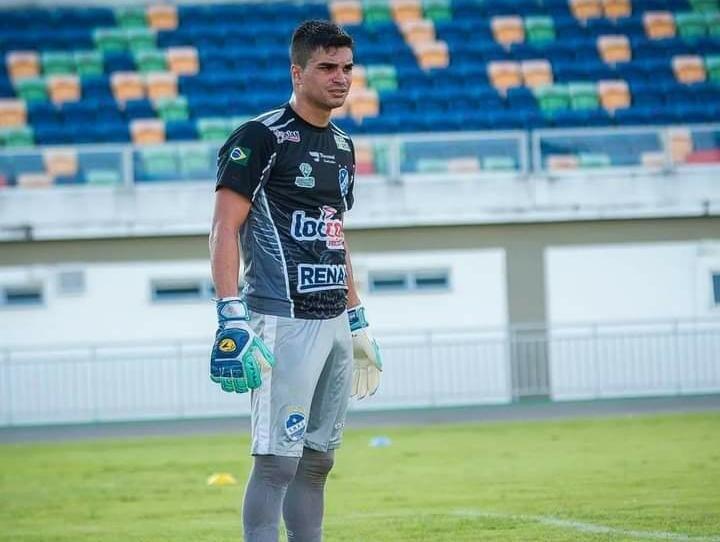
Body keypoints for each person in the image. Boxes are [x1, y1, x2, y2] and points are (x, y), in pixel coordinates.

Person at [208, 20, 383, 542]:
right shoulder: (260, 137)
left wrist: (357, 319)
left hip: (332, 320)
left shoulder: (345, 147)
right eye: (327, 67)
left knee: (317, 462)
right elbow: (224, 227)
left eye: (347, 68)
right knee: (276, 464)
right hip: (281, 319)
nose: (340, 78)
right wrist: (229, 313)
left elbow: (336, 235)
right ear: (297, 70)